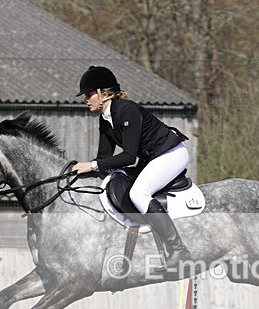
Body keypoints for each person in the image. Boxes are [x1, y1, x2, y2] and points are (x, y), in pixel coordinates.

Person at [71, 65, 191, 272]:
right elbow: (104, 158)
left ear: (104, 94)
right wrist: (80, 171)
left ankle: (178, 250)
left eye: (89, 95)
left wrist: (91, 165)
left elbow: (128, 156)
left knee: (138, 193)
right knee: (116, 178)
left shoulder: (127, 110)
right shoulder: (105, 118)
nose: (86, 99)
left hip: (171, 154)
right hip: (151, 158)